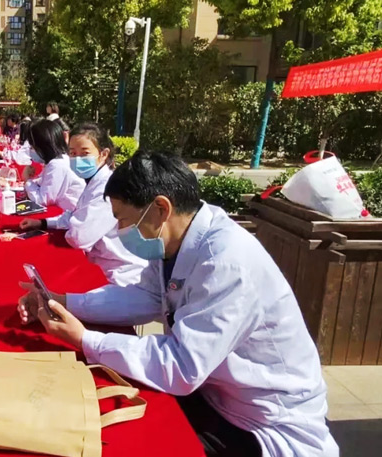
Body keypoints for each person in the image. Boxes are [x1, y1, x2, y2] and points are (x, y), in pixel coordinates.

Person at [18, 150, 339, 457]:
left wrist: (87, 340)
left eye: (124, 220)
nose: (119, 231)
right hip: (217, 393)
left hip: (261, 421)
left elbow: (181, 367)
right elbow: (144, 296)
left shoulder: (226, 261)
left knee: (134, 440)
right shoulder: (177, 239)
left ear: (160, 208)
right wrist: (64, 302)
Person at [20, 123, 147, 286]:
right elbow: (73, 215)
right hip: (102, 265)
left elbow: (78, 237)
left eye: (84, 153)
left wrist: (71, 225)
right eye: (72, 154)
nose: (77, 159)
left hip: (120, 276)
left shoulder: (107, 189)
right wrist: (43, 222)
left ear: (103, 154)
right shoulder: (94, 182)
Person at [23, 120, 85, 212]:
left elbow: (42, 200)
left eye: (32, 147)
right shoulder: (58, 161)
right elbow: (43, 183)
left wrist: (27, 179)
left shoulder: (57, 165)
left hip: (71, 217)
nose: (31, 151)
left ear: (43, 146)